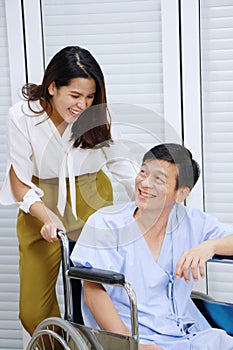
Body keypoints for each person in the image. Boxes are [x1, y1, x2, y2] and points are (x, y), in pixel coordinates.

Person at [0, 46, 138, 335]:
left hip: (92, 197)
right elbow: (19, 177)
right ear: (52, 87)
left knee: (88, 304)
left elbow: (122, 163)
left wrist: (151, 199)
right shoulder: (22, 116)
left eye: (89, 97)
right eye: (75, 96)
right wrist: (45, 216)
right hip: (40, 203)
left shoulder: (97, 116)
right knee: (33, 311)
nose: (83, 105)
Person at [71, 143, 233, 350]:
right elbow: (92, 293)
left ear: (180, 193)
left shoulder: (193, 222)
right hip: (130, 335)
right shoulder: (105, 224)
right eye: (143, 172)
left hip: (185, 332)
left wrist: (210, 246)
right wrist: (132, 345)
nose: (144, 183)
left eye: (158, 179)